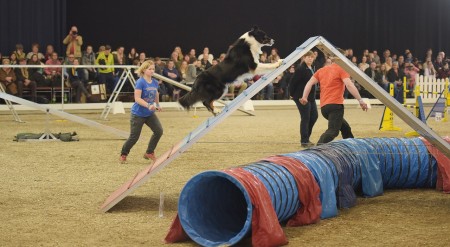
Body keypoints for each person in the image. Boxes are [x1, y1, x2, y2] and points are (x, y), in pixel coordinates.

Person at [300, 49, 368, 145]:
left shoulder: (321, 70)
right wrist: (360, 100)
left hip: (324, 108)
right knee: (333, 131)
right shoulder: (341, 69)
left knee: (345, 128)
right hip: (335, 106)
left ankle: (351, 146)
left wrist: (304, 97)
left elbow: (309, 83)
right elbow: (349, 85)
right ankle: (318, 148)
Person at [119, 60, 163, 164]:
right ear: (144, 70)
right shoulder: (140, 82)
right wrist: (148, 105)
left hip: (149, 113)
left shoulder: (155, 82)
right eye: (150, 69)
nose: (152, 71)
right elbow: (137, 99)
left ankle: (149, 152)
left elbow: (156, 93)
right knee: (134, 137)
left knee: (158, 131)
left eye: (153, 69)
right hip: (138, 114)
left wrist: (157, 105)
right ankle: (123, 154)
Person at [289, 51, 318, 147]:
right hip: (301, 97)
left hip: (311, 97)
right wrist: (292, 94)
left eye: (312, 57)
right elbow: (292, 82)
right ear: (304, 58)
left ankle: (306, 138)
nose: (310, 58)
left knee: (314, 116)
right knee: (305, 118)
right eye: (308, 57)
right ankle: (304, 141)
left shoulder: (312, 68)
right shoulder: (301, 69)